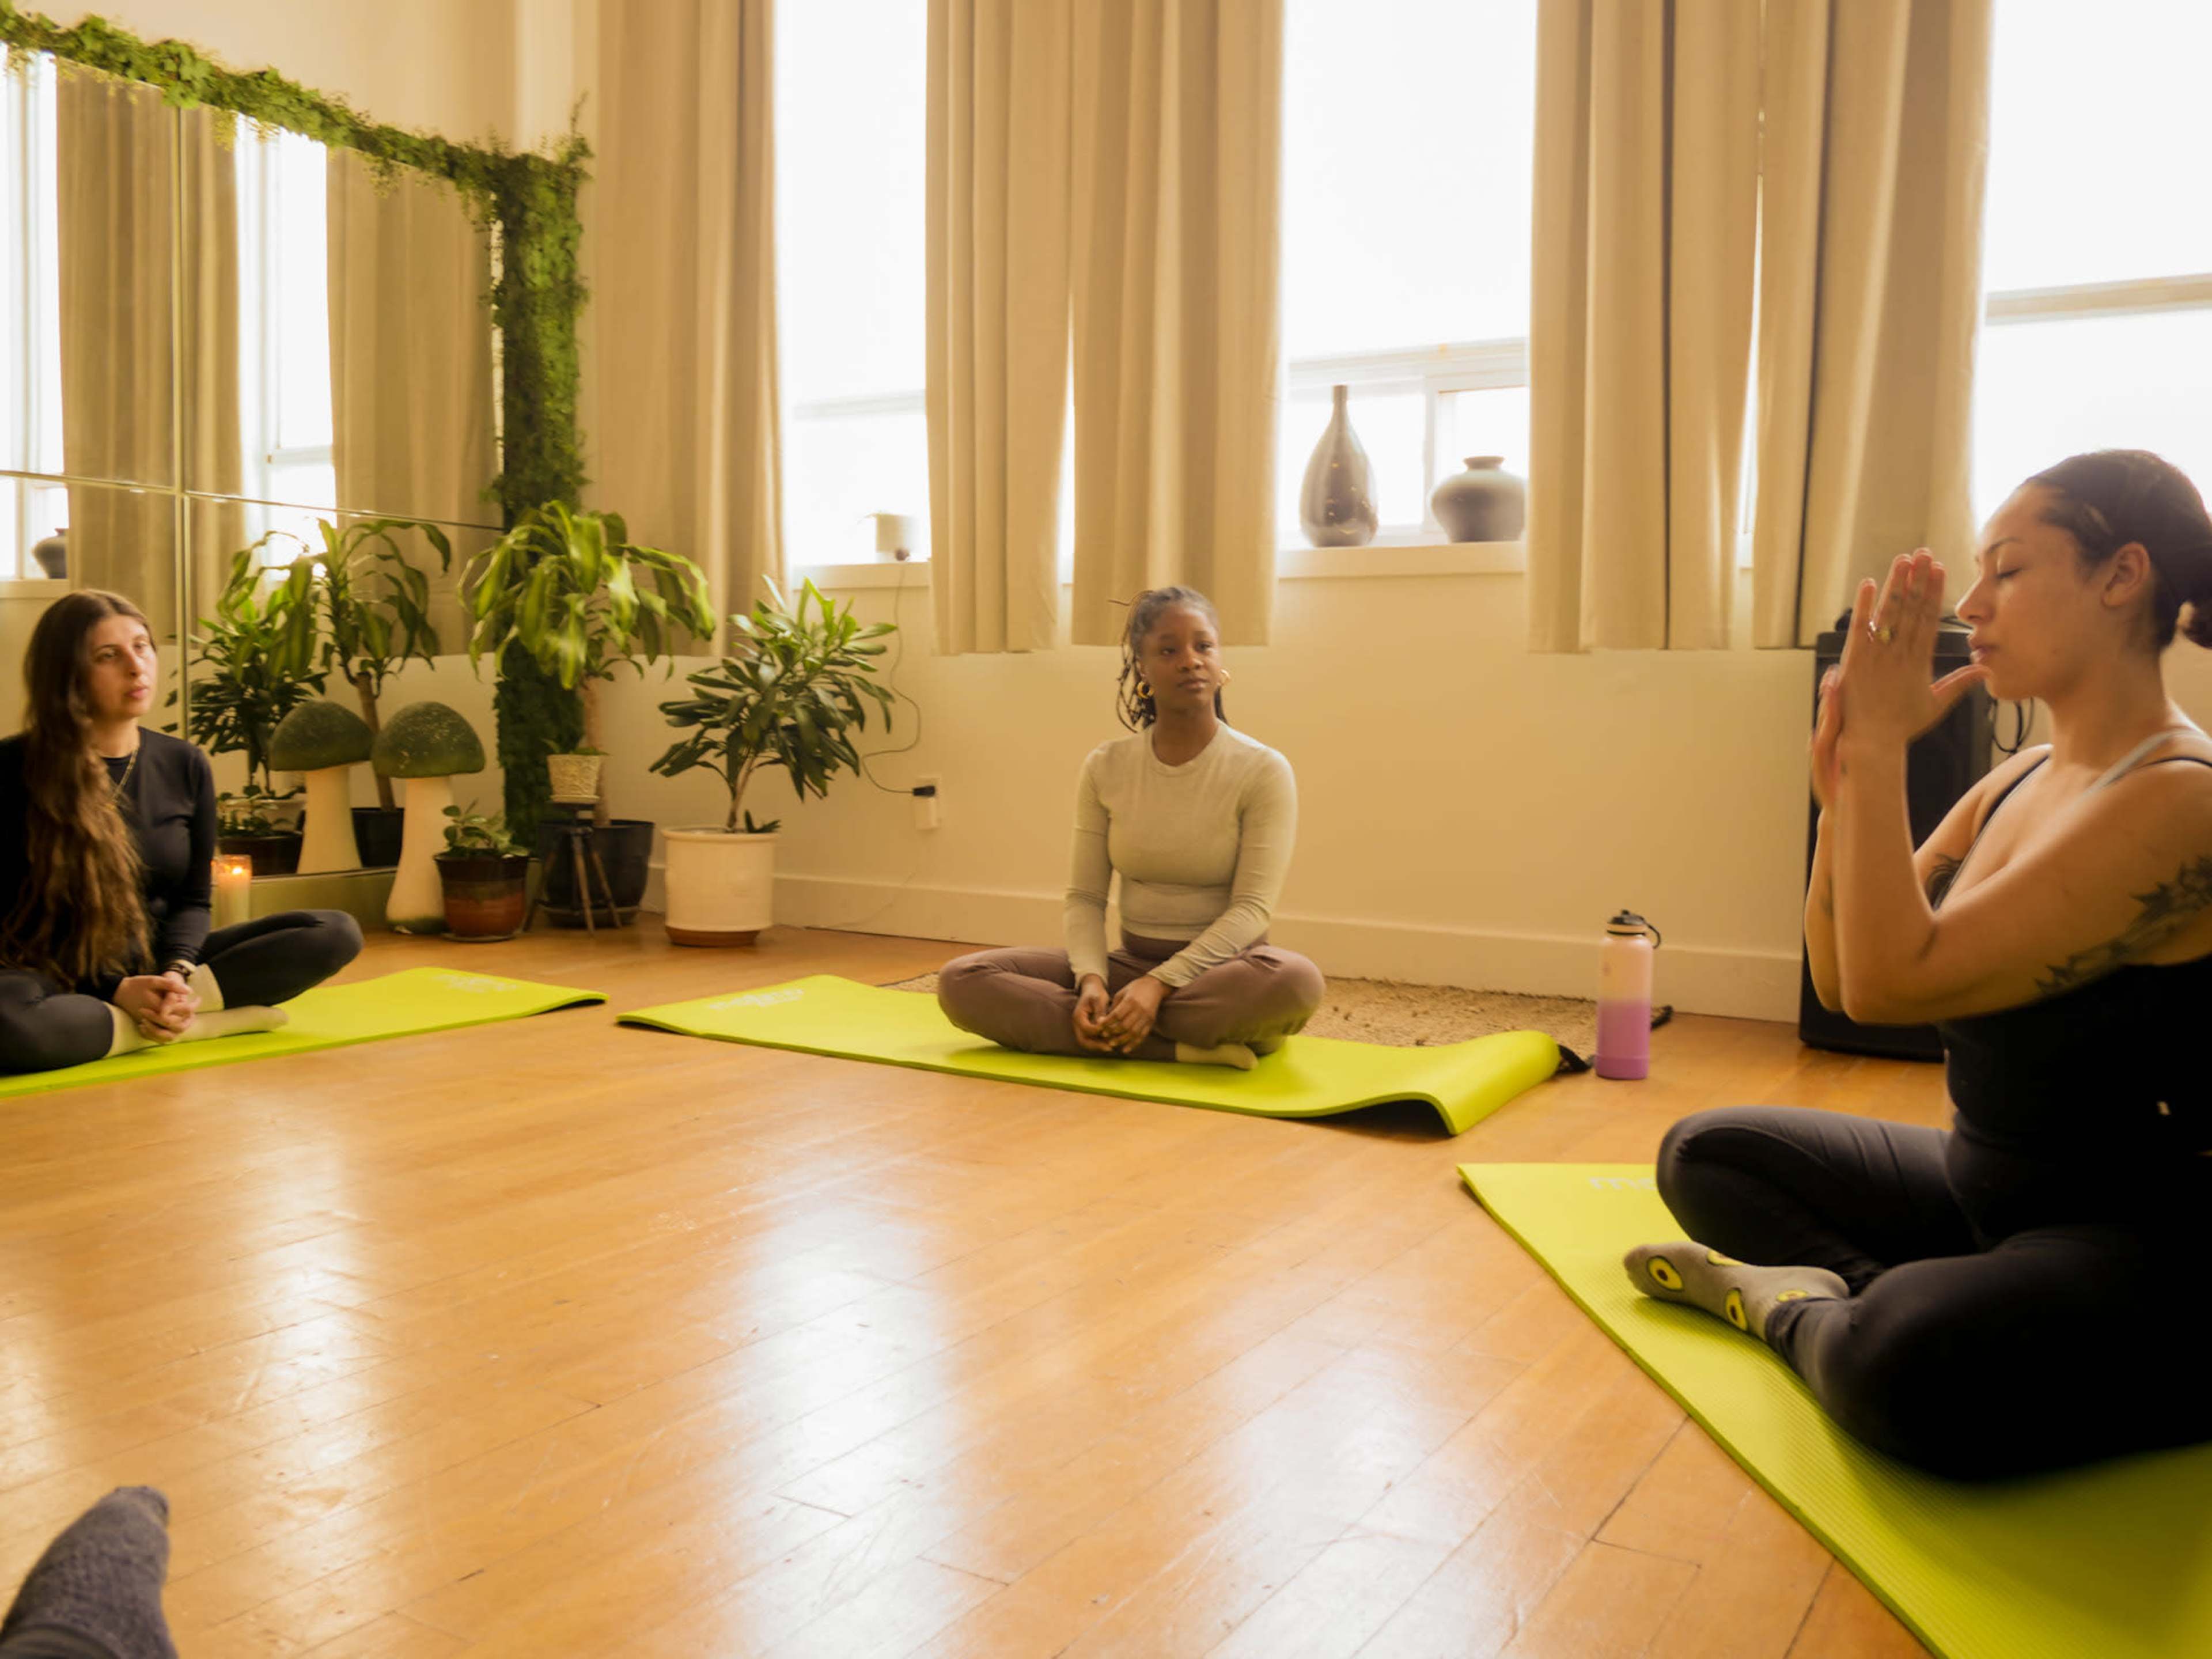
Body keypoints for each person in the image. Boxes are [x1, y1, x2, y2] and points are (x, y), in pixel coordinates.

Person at [1626, 450, 2212, 1479]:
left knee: (1906, 1358)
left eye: (2010, 572)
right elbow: (1848, 981)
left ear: (2124, 577)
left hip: (2158, 1250)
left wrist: (1885, 755)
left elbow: (1901, 978)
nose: (1974, 607)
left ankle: (1808, 1314)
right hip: (1991, 1195)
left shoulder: (2182, 802)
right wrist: (1846, 792)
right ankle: (1890, 1304)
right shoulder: (2019, 777)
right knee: (1708, 1152)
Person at [938, 585, 1324, 1069]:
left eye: (1203, 646)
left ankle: (1117, 1027)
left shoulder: (1263, 769)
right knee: (963, 980)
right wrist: (1092, 981)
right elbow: (1085, 898)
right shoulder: (1107, 767)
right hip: (1128, 967)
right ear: (1142, 667)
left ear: (1220, 659)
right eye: (1169, 650)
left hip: (1224, 971)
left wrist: (1159, 985)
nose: (1190, 661)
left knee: (1294, 982)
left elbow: (1251, 910)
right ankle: (1176, 1047)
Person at [1, 590, 363, 1075]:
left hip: (155, 961)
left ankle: (166, 1011)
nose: (136, 666)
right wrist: (113, 988)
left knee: (333, 933)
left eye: (142, 647)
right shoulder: (13, 768)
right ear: (66, 674)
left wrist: (175, 972)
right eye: (109, 656)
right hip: (51, 969)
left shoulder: (184, 763)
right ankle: (186, 1023)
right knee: (7, 1019)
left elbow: (194, 899)